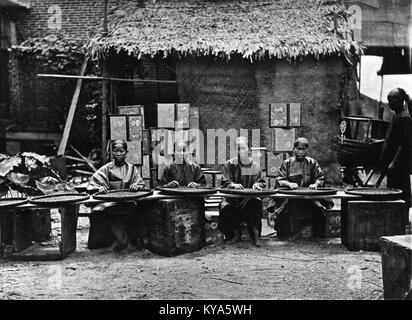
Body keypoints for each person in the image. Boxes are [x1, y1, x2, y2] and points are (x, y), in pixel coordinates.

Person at [87, 140, 145, 251]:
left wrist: (136, 186)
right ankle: (116, 242)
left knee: (139, 211)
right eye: (115, 151)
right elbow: (93, 184)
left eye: (121, 151)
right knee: (98, 212)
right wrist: (100, 188)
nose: (118, 154)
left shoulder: (132, 169)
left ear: (126, 153)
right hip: (109, 203)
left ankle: (124, 241)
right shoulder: (106, 169)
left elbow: (140, 183)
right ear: (112, 152)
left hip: (128, 202)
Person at [275, 137, 333, 240]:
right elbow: (280, 179)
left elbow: (320, 178)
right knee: (284, 210)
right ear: (294, 149)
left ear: (307, 150)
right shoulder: (287, 163)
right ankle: (290, 233)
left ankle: (316, 234)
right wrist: (288, 184)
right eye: (298, 149)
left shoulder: (312, 163)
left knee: (320, 209)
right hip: (291, 197)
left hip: (309, 197)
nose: (301, 152)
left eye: (303, 149)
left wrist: (315, 184)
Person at [218, 136, 265, 247]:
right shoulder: (229, 164)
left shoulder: (255, 165)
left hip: (248, 200)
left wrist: (257, 184)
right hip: (233, 201)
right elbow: (224, 181)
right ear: (236, 150)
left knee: (256, 203)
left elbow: (261, 181)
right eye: (239, 148)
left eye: (244, 148)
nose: (241, 151)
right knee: (223, 206)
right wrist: (232, 185)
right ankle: (234, 234)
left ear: (249, 149)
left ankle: (256, 235)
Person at [380, 88, 412, 221]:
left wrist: (394, 162)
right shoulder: (397, 116)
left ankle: (402, 220)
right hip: (394, 163)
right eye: (388, 100)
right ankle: (396, 219)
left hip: (400, 163)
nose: (389, 103)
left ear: (400, 100)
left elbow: (403, 144)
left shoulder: (404, 118)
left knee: (401, 191)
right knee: (394, 190)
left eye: (392, 100)